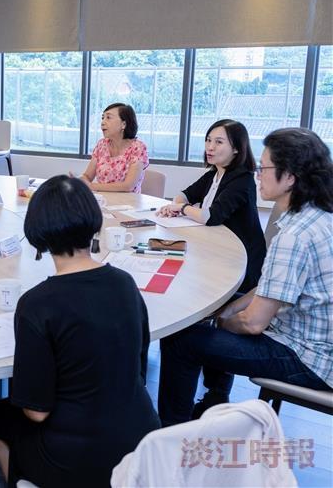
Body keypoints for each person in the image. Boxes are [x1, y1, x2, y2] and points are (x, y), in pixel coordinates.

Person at [0, 175, 160, 487]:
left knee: (0, 416)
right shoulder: (125, 283)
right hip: (142, 440)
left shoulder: (37, 304)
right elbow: (139, 366)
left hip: (79, 459)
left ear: (38, 232)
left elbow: (36, 412)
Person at [158, 128, 333, 427]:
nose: (258, 175)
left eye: (264, 168)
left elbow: (253, 323)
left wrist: (222, 321)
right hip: (311, 337)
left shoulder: (293, 236)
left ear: (290, 177)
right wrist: (226, 310)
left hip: (306, 357)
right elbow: (270, 288)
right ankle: (213, 398)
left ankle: (172, 431)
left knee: (181, 340)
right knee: (212, 311)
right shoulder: (318, 216)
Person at [158, 119, 265, 293]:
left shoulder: (242, 180)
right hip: (216, 248)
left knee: (184, 282)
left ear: (236, 148)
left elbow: (211, 216)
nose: (210, 147)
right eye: (208, 140)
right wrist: (178, 204)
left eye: (218, 142)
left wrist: (182, 208)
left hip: (240, 261)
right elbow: (184, 195)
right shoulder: (214, 173)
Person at [80, 103, 149, 193]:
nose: (103, 122)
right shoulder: (101, 145)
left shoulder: (138, 148)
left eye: (108, 118)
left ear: (123, 124)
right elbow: (87, 176)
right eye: (102, 118)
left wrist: (91, 186)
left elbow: (128, 186)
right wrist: (79, 181)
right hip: (103, 200)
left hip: (129, 201)